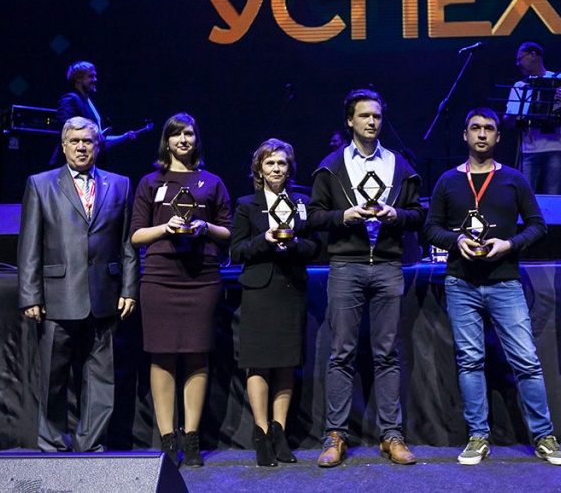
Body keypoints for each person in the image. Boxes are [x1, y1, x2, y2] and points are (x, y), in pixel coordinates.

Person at [424, 107, 561, 466]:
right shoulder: (447, 181)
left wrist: (509, 244)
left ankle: (544, 436)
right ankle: (478, 436)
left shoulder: (514, 179)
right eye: (475, 128)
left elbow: (538, 226)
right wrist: (456, 241)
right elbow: (430, 229)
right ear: (465, 135)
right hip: (461, 282)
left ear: (498, 136)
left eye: (488, 128)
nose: (482, 134)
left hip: (505, 281)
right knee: (470, 361)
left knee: (526, 360)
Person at [307, 89, 425, 468]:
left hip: (388, 265)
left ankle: (392, 435)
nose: (372, 121)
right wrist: (344, 216)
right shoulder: (331, 166)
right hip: (346, 265)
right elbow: (314, 216)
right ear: (350, 121)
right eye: (364, 116)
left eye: (376, 116)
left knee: (387, 353)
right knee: (341, 353)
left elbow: (417, 215)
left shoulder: (399, 165)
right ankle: (336, 436)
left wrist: (396, 215)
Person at [17, 116, 139, 452]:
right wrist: (30, 294)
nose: (82, 147)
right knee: (53, 377)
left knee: (101, 377)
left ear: (98, 145)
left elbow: (128, 244)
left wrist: (129, 288)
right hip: (57, 296)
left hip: (105, 295)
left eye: (88, 141)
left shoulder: (120, 184)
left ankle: (91, 444)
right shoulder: (40, 184)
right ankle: (53, 442)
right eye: (75, 141)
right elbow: (29, 245)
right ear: (63, 145)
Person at [129, 113, 232, 467]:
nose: (183, 140)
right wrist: (164, 228)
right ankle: (167, 439)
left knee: (197, 354)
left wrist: (205, 226)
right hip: (160, 277)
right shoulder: (150, 182)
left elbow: (228, 233)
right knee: (162, 355)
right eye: (176, 135)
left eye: (189, 133)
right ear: (167, 141)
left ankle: (191, 438)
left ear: (196, 139)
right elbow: (136, 235)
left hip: (202, 277)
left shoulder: (212, 182)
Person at [230, 139, 320, 466]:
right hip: (259, 291)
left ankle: (279, 432)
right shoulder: (246, 205)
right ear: (259, 169)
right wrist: (263, 240)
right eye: (270, 163)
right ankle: (261, 433)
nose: (276, 169)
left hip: (291, 289)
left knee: (286, 362)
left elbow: (316, 247)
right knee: (259, 362)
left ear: (289, 168)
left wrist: (294, 244)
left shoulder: (302, 203)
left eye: (282, 163)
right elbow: (236, 251)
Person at [503, 42, 561, 195]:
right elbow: (508, 122)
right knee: (525, 197)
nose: (517, 64)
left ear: (533, 55)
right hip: (528, 150)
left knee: (553, 197)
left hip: (556, 149)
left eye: (520, 59)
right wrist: (515, 113)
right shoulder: (520, 86)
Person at [50, 61, 137, 164]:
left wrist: (122, 138)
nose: (95, 80)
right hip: (73, 165)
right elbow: (66, 128)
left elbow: (97, 138)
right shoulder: (70, 100)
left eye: (95, 76)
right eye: (91, 76)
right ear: (78, 79)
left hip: (90, 165)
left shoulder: (88, 102)